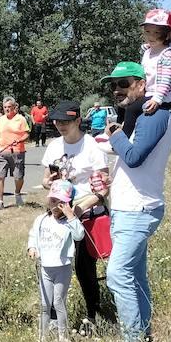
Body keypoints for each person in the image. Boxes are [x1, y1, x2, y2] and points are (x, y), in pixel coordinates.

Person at [100, 61, 171, 342]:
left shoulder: (154, 116)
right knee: (135, 276)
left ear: (142, 85)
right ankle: (143, 340)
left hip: (138, 210)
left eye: (124, 83)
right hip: (128, 208)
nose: (117, 90)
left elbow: (134, 157)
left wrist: (115, 133)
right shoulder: (139, 116)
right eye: (113, 85)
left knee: (118, 275)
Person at [40, 100, 113, 324]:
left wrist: (79, 209)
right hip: (58, 215)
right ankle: (53, 318)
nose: (61, 125)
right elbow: (45, 180)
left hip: (86, 213)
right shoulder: (54, 146)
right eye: (57, 121)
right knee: (53, 265)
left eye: (66, 121)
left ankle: (94, 314)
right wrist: (48, 182)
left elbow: (104, 188)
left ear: (78, 120)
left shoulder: (92, 147)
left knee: (84, 267)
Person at [27, 179, 86, 342]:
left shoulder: (68, 222)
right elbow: (33, 236)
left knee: (58, 302)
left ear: (67, 204)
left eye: (60, 203)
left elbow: (79, 235)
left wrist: (71, 216)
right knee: (45, 304)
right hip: (45, 267)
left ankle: (63, 336)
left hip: (62, 268)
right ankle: (43, 337)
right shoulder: (41, 220)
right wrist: (32, 248)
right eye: (53, 201)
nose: (55, 206)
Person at [0, 98, 30, 209]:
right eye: (5, 107)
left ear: (14, 107)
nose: (7, 109)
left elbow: (26, 134)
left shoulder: (21, 119)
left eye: (9, 107)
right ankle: (0, 201)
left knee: (18, 176)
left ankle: (17, 194)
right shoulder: (0, 120)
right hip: (1, 151)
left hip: (17, 151)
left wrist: (19, 140)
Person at [140, 8, 171, 115]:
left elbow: (165, 81)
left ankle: (125, 131)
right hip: (149, 93)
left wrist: (157, 99)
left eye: (157, 32)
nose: (151, 36)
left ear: (168, 35)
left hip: (162, 98)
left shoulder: (168, 56)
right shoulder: (148, 51)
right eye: (147, 31)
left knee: (132, 110)